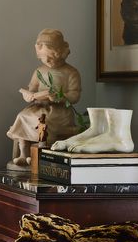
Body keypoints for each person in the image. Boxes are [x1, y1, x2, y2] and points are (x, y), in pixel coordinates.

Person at [5, 28, 81, 168]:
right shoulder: (39, 71)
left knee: (43, 122)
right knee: (22, 116)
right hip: (39, 106)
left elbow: (75, 96)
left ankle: (40, 156)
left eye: (50, 58)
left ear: (60, 53)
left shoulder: (71, 72)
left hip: (59, 112)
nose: (47, 61)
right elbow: (32, 89)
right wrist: (29, 95)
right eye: (43, 58)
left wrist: (58, 97)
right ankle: (24, 154)